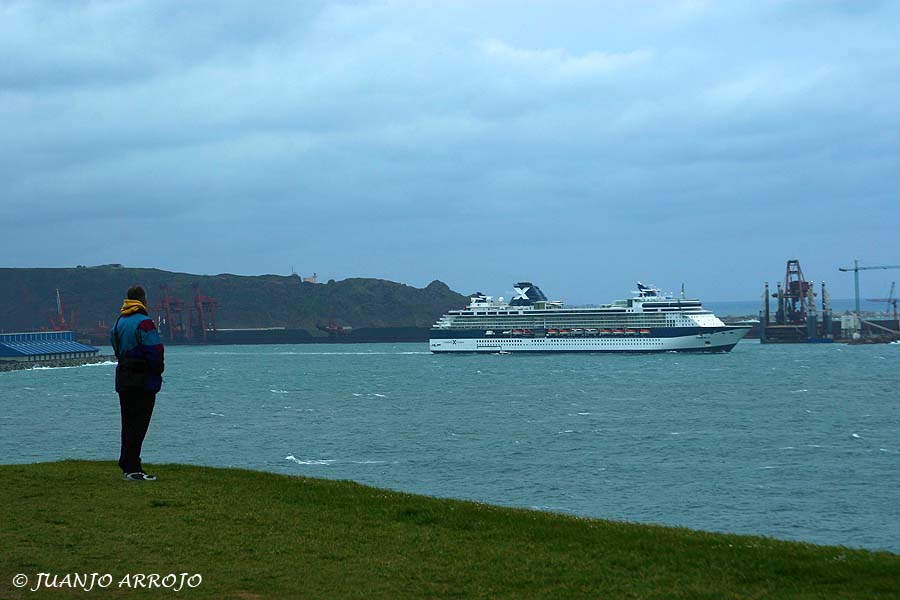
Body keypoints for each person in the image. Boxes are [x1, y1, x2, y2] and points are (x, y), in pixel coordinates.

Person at [111, 285, 165, 481]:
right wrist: (158, 370)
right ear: (143, 299)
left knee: (127, 423)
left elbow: (117, 350)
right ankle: (132, 467)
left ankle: (127, 464)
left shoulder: (118, 323)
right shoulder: (145, 323)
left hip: (123, 380)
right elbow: (154, 351)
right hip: (143, 382)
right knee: (139, 424)